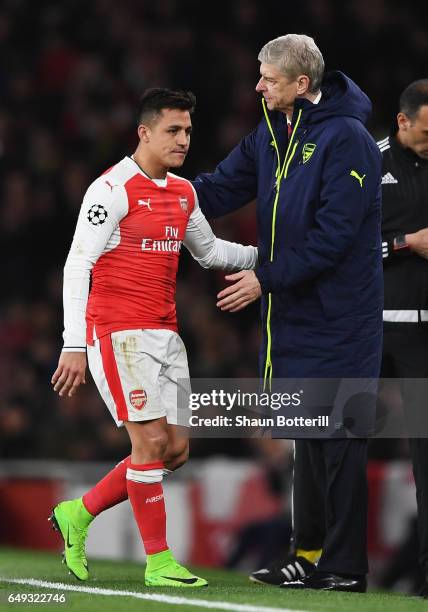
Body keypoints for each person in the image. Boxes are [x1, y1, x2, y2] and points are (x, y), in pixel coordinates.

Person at [193, 34, 383, 592]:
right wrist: (154, 197)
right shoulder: (272, 132)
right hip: (293, 318)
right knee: (304, 439)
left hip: (341, 317)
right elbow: (221, 187)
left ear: (302, 85)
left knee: (340, 443)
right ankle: (307, 553)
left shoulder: (348, 139)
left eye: (268, 79)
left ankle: (345, 567)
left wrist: (263, 278)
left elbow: (333, 239)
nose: (257, 86)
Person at [50, 88, 258, 588]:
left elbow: (211, 253)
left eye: (187, 131)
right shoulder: (111, 189)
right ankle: (160, 562)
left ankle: (78, 512)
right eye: (172, 130)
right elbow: (79, 262)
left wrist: (271, 258)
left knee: (175, 450)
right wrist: (73, 342)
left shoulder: (183, 192)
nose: (183, 140)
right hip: (117, 332)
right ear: (144, 132)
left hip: (166, 333)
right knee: (148, 443)